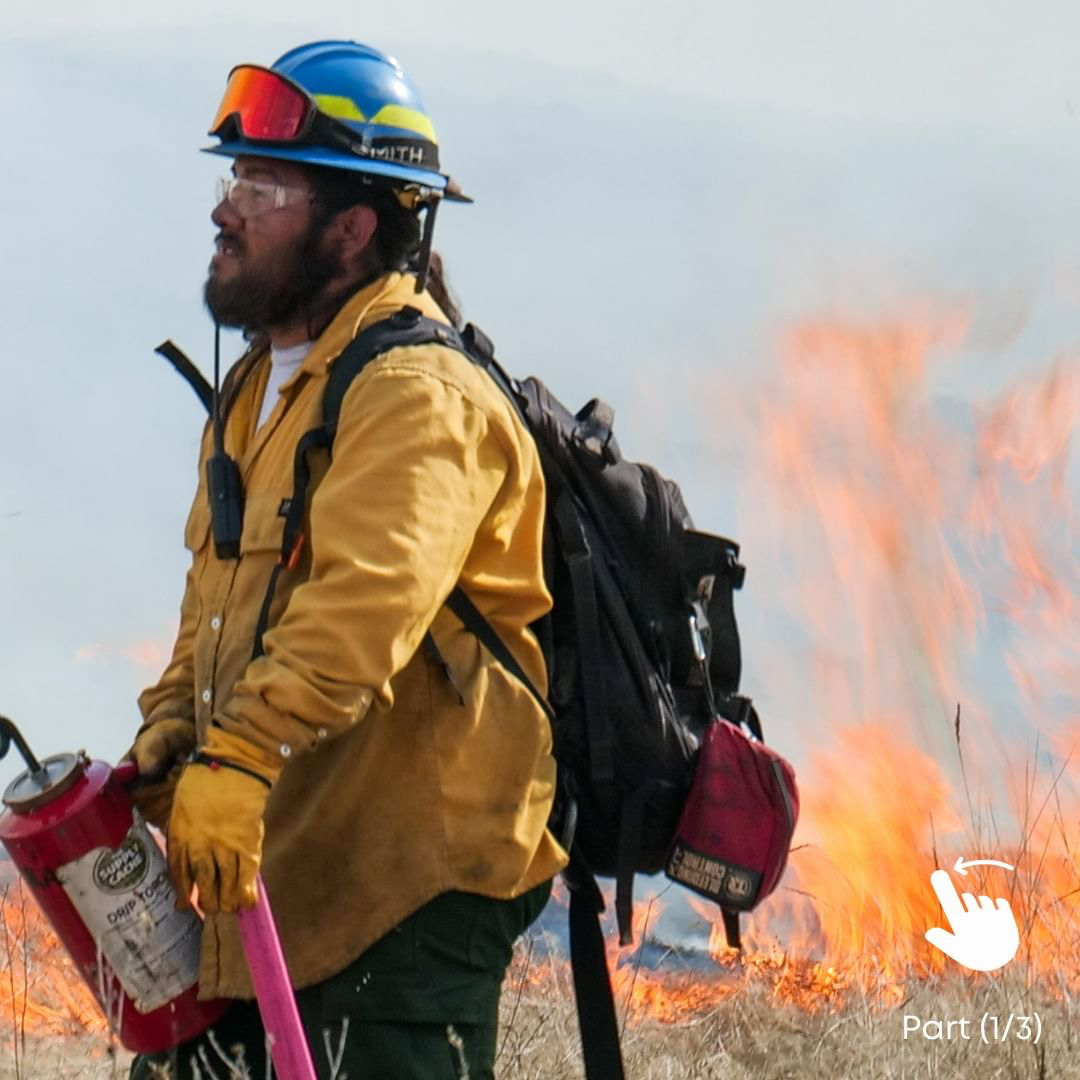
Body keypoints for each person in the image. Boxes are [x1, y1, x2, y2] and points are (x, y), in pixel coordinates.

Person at [126, 40, 566, 1080]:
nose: (226, 207)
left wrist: (236, 758)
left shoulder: (416, 393)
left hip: (403, 906)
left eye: (264, 184)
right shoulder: (257, 394)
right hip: (272, 889)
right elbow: (216, 604)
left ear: (355, 226)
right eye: (233, 175)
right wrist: (171, 732)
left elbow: (361, 614)